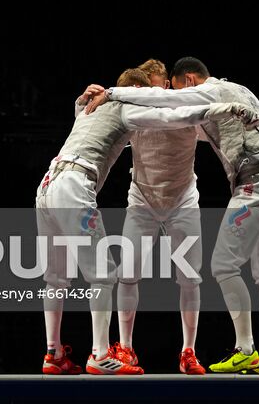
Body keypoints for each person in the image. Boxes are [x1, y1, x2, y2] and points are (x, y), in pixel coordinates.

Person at [84, 56, 259, 376]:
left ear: (188, 81)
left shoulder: (209, 94)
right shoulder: (241, 91)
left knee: (223, 266)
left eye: (171, 87)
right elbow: (253, 135)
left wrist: (110, 92)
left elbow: (172, 101)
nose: (166, 91)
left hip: (251, 187)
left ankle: (243, 350)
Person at [37, 65, 259, 376]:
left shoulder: (94, 110)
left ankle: (54, 353)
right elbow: (169, 116)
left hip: (49, 185)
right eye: (149, 93)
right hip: (94, 190)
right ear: (139, 93)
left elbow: (89, 125)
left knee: (56, 276)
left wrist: (82, 101)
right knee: (105, 276)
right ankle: (102, 354)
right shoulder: (132, 112)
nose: (156, 97)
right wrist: (229, 105)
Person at [76, 59, 206, 376]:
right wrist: (82, 104)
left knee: (190, 277)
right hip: (142, 201)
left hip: (183, 201)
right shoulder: (133, 115)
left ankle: (188, 351)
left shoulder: (186, 111)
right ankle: (127, 347)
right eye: (152, 87)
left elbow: (227, 137)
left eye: (162, 86)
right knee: (128, 275)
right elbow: (89, 129)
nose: (159, 91)